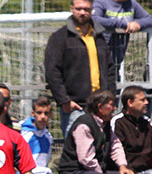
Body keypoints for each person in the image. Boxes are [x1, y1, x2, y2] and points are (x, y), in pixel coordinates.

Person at [45, 0, 116, 137]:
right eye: (79, 9)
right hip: (75, 107)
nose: (82, 13)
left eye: (86, 9)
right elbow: (52, 71)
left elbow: (110, 69)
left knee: (101, 148)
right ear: (72, 9)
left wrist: (110, 98)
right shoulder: (60, 37)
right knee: (75, 151)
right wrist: (64, 101)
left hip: (101, 106)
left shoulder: (99, 37)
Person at [59, 89, 136, 174]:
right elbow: (86, 159)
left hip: (95, 172)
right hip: (74, 172)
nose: (115, 108)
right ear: (100, 107)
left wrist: (122, 166)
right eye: (111, 105)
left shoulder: (106, 125)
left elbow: (116, 146)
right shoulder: (84, 125)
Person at [92, 0, 152, 75]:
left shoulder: (131, 3)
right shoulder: (101, 2)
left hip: (116, 61)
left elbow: (150, 19)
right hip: (98, 57)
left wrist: (138, 23)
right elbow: (94, 19)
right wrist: (121, 23)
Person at [111, 85, 152, 174]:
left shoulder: (147, 122)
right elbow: (115, 150)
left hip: (148, 171)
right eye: (142, 100)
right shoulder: (118, 122)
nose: (146, 102)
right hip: (128, 172)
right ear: (130, 103)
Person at [20, 95, 55, 174]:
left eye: (46, 113)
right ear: (33, 113)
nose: (43, 117)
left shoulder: (48, 136)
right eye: (39, 113)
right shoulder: (22, 133)